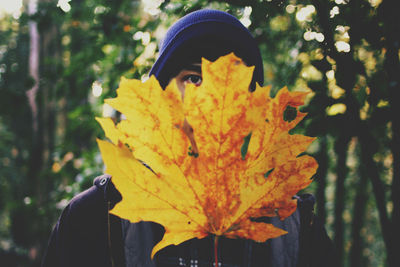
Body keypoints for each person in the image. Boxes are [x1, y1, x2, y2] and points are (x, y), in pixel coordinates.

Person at [41, 9, 335, 267]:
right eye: (193, 78)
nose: (211, 102)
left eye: (232, 84)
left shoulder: (297, 228)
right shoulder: (95, 218)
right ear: (161, 95)